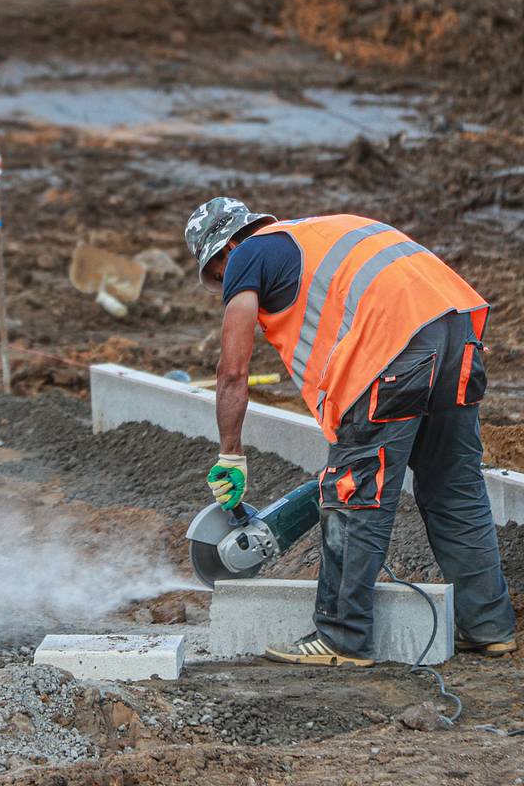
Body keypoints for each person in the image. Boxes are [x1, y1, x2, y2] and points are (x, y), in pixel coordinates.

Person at [185, 197, 517, 666]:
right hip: (458, 333)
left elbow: (233, 372)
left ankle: (342, 636)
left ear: (226, 249)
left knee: (354, 490)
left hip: (391, 352)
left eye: (217, 273)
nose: (223, 281)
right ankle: (489, 627)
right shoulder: (326, 229)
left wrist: (231, 454)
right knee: (455, 486)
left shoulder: (246, 254)